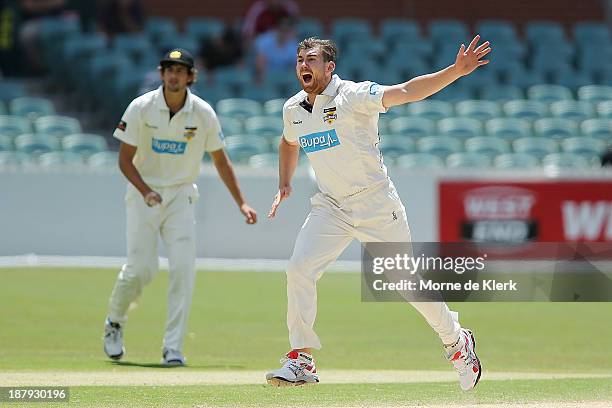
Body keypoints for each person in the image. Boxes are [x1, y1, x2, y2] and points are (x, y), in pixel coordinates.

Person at [265, 36, 491, 389]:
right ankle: (302, 359)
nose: (303, 66)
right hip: (332, 205)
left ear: (329, 66)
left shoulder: (353, 96)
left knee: (407, 285)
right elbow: (287, 141)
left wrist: (455, 72)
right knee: (299, 268)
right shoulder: (293, 109)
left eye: (311, 59)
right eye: (299, 60)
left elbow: (406, 91)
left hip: (375, 204)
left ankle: (457, 342)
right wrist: (284, 183)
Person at [103, 48, 257, 366]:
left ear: (190, 77)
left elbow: (221, 160)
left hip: (181, 197)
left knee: (183, 271)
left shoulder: (202, 114)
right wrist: (146, 191)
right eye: (168, 70)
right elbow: (124, 159)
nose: (173, 75)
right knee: (140, 270)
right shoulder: (141, 108)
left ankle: (172, 348)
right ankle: (114, 322)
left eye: (180, 70)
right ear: (161, 74)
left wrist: (241, 202)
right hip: (143, 194)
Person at [254, 17, 298, 82]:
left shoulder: (294, 45)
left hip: (285, 78)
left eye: (287, 31)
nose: (284, 34)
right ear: (277, 29)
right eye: (282, 30)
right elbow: (259, 66)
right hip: (267, 77)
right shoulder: (264, 41)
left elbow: (296, 67)